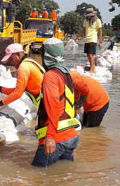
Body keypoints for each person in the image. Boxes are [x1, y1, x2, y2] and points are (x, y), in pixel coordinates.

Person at [32, 38, 87, 168]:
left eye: (42, 53)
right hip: (71, 137)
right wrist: (78, 106)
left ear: (46, 56)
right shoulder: (66, 73)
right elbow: (85, 89)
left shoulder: (50, 76)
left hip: (56, 138)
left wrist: (50, 136)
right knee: (64, 178)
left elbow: (53, 107)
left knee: (38, 179)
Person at [0, 43, 44, 114]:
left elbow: (18, 93)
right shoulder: (30, 61)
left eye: (11, 59)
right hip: (44, 99)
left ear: (18, 55)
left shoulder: (23, 67)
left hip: (44, 102)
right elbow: (17, 90)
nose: (10, 63)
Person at [74, 8, 102, 74]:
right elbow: (83, 30)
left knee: (90, 54)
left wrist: (100, 42)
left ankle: (93, 68)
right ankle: (92, 67)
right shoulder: (86, 21)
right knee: (88, 54)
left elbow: (100, 31)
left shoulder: (97, 21)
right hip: (87, 40)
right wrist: (77, 37)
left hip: (93, 39)